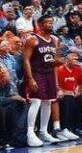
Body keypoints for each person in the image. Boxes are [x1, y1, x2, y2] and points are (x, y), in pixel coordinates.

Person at [22, 15, 61, 146]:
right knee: (36, 102)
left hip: (49, 74)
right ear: (40, 25)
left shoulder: (55, 40)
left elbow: (56, 63)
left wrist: (56, 82)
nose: (51, 24)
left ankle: (43, 132)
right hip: (36, 73)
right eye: (48, 22)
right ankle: (30, 133)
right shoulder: (33, 39)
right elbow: (26, 60)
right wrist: (30, 78)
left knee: (48, 102)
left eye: (51, 22)